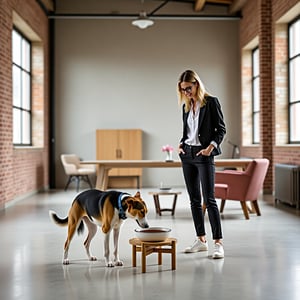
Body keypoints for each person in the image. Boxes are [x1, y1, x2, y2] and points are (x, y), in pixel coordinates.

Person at [177, 70, 226, 259]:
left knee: (209, 200)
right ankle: (201, 240)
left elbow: (221, 129)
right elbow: (188, 132)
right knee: (194, 201)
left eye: (188, 88)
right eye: (183, 90)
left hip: (204, 155)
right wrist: (181, 143)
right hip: (187, 155)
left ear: (196, 84)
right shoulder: (186, 106)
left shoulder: (211, 102)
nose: (186, 92)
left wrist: (210, 148)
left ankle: (218, 243)